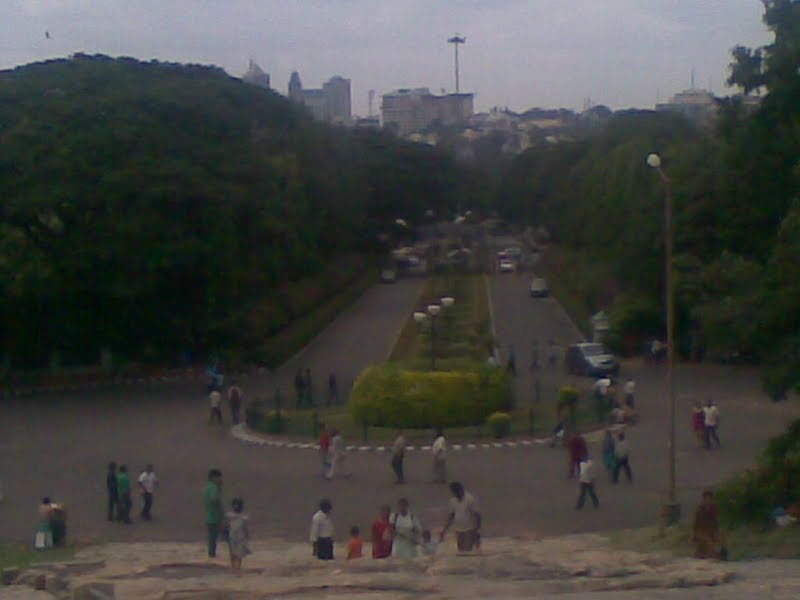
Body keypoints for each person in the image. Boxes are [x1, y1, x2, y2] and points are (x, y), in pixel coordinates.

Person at [440, 482, 481, 552]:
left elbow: (477, 515)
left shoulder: (470, 499)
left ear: (461, 490)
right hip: (458, 529)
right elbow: (451, 516)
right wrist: (444, 530)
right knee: (461, 550)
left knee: (467, 551)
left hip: (469, 529)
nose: (455, 494)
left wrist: (476, 530)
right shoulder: (452, 501)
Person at [692, 490, 722, 559]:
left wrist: (716, 532)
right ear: (704, 499)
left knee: (705, 547)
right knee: (708, 542)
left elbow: (716, 521)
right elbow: (695, 523)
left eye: (710, 498)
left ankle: (704, 554)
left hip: (711, 531)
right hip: (701, 531)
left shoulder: (714, 508)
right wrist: (694, 534)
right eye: (707, 498)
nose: (708, 500)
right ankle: (715, 555)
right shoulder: (700, 509)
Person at [225, 497, 251, 574]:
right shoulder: (230, 516)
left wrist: (247, 535)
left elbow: (246, 527)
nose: (237, 507)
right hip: (232, 537)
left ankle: (238, 567)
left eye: (238, 505)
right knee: (233, 552)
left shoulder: (243, 518)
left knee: (239, 553)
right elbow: (226, 526)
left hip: (240, 537)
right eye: (235, 505)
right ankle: (233, 567)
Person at [203, 469, 224, 558]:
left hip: (210, 516)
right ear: (214, 478)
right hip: (215, 517)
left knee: (212, 538)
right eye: (219, 478)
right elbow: (214, 499)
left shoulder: (207, 488)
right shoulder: (213, 488)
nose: (221, 480)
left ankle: (211, 554)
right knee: (226, 537)